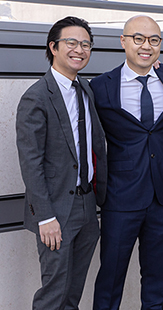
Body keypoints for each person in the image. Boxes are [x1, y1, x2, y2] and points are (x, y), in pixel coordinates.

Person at [90, 15, 163, 310]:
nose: (147, 46)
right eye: (139, 38)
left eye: (154, 40)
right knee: (110, 279)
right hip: (120, 197)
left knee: (156, 279)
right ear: (123, 41)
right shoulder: (100, 86)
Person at [16, 16, 107, 310]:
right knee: (54, 293)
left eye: (85, 44)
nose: (79, 49)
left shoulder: (86, 89)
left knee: (73, 292)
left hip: (86, 206)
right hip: (55, 212)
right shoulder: (37, 97)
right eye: (71, 42)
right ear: (53, 47)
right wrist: (45, 218)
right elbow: (31, 162)